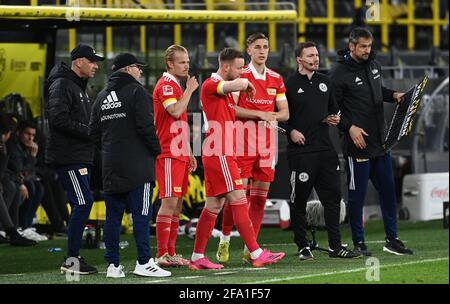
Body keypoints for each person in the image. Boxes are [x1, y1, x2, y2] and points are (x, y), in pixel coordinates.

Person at [189, 48, 285, 270]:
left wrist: (259, 112)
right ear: (225, 67)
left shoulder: (222, 91)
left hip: (220, 151)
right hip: (220, 150)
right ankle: (256, 253)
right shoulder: (211, 84)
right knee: (240, 199)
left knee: (213, 205)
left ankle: (197, 257)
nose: (243, 71)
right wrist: (247, 83)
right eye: (240, 67)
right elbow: (236, 85)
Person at [329, 27, 413, 256]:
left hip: (381, 143)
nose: (367, 50)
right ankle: (359, 242)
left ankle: (392, 240)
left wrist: (393, 95)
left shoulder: (374, 64)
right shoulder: (338, 72)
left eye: (369, 46)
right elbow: (331, 108)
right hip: (358, 146)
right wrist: (349, 128)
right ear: (351, 46)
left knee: (388, 192)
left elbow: (377, 91)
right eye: (363, 46)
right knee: (357, 197)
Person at [89, 52, 170, 278]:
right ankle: (144, 262)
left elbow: (93, 134)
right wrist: (156, 151)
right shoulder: (138, 92)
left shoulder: (101, 97)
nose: (140, 71)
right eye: (137, 67)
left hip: (111, 166)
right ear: (126, 69)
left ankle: (113, 266)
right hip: (138, 167)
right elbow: (146, 128)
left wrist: (111, 149)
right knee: (141, 215)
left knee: (113, 217)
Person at [283, 41, 361, 260]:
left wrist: (334, 117)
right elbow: (276, 118)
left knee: (333, 199)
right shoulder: (288, 84)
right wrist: (290, 132)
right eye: (310, 56)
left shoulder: (325, 82)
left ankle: (336, 246)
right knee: (299, 200)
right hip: (301, 152)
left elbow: (334, 110)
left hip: (326, 150)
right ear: (299, 59)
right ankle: (302, 245)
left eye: (316, 55)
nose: (315, 59)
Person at [217, 32, 289, 263]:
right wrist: (261, 114)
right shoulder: (241, 76)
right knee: (238, 197)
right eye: (257, 46)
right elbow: (232, 109)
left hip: (267, 147)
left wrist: (271, 116)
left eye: (265, 46)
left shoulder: (276, 78)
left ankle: (251, 248)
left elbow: (285, 113)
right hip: (242, 143)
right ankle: (225, 238)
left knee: (259, 199)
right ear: (248, 50)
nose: (262, 50)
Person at [46, 44, 104, 275]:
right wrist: (89, 131)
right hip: (68, 157)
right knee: (83, 202)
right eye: (92, 61)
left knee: (83, 202)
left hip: (79, 155)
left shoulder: (76, 86)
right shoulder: (62, 84)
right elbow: (58, 120)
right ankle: (71, 260)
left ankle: (73, 256)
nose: (96, 65)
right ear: (79, 61)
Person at [153, 45, 198, 267]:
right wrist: (190, 89)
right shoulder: (167, 86)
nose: (186, 65)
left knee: (178, 205)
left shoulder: (176, 87)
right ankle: (162, 254)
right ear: (170, 64)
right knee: (169, 202)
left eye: (187, 61)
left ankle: (169, 253)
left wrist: (189, 151)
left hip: (179, 153)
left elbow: (179, 123)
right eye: (182, 62)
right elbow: (175, 112)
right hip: (168, 152)